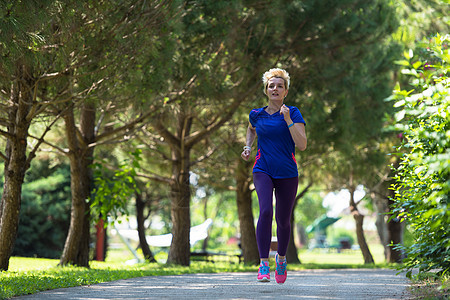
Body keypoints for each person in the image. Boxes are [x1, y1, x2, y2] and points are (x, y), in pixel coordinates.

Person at [241, 68, 307, 284]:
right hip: (263, 168)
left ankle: (281, 259)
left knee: (283, 220)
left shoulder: (293, 113)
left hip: (287, 172)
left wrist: (287, 119)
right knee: (266, 210)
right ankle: (263, 263)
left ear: (286, 91)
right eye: (272, 86)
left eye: (280, 86)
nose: (275, 89)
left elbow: (302, 144)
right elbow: (251, 129)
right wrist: (248, 146)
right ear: (266, 90)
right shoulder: (256, 114)